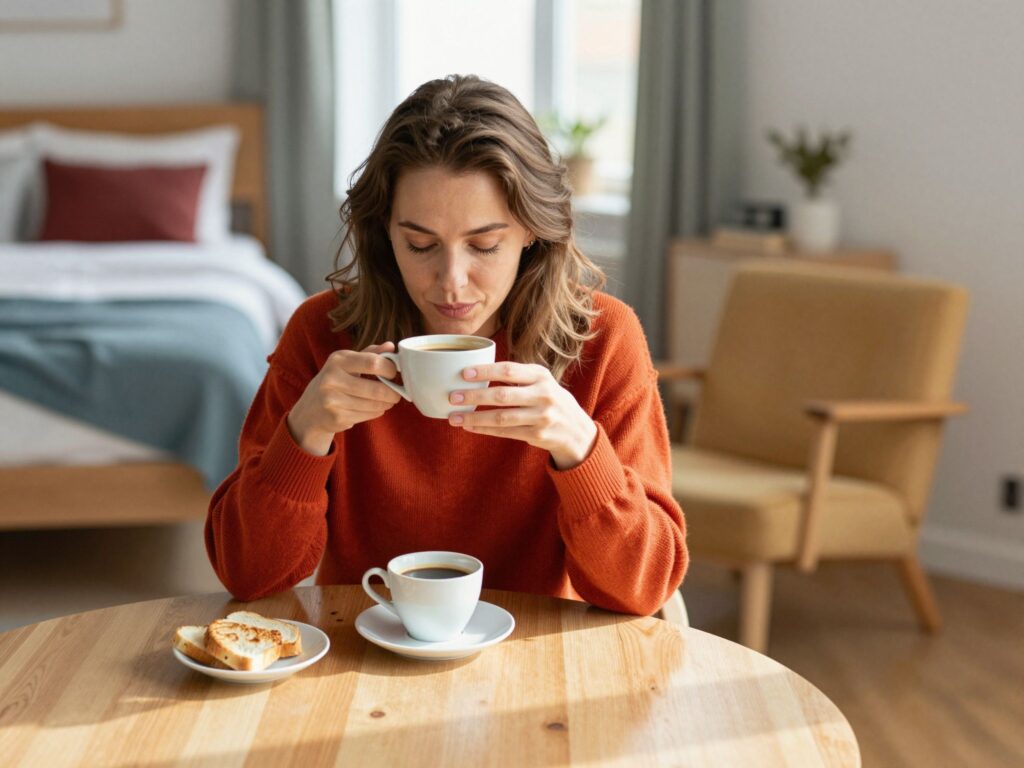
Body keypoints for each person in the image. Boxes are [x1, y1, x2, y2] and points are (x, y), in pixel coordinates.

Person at [206, 75, 687, 616]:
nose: (451, 282)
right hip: (361, 647)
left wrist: (579, 447)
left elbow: (642, 589)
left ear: (531, 231)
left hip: (540, 654)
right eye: (420, 244)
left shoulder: (604, 338)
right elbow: (248, 574)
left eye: (485, 244)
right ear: (385, 232)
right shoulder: (323, 334)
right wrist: (305, 432)